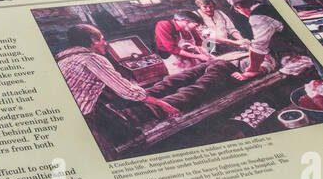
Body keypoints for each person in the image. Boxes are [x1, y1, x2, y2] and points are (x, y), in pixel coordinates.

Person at [56, 24, 237, 145]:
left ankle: (211, 65)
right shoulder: (90, 58)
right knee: (185, 94)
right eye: (101, 38)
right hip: (111, 123)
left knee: (163, 86)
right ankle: (221, 66)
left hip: (109, 111)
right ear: (93, 41)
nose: (105, 42)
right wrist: (162, 104)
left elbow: (128, 91)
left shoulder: (64, 58)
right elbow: (127, 90)